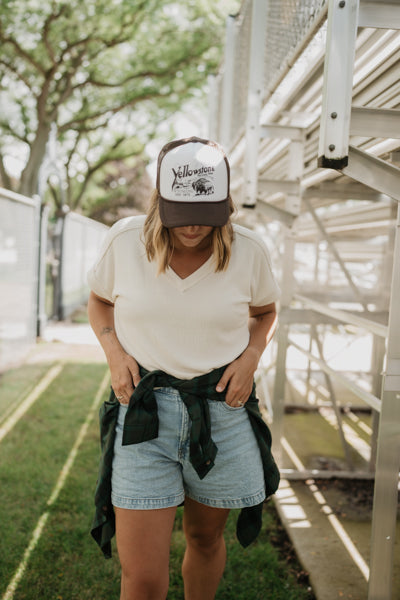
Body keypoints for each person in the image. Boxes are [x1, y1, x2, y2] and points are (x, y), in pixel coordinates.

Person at [87, 136, 281, 600]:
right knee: (143, 576)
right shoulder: (125, 240)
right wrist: (115, 352)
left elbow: (266, 313)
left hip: (220, 412)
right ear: (160, 199)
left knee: (203, 538)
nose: (193, 226)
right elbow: (98, 300)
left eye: (206, 213)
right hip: (144, 413)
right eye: (181, 213)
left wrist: (251, 358)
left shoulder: (249, 250)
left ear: (225, 202)